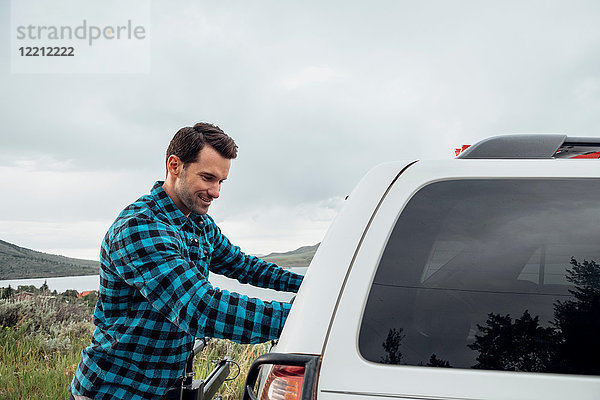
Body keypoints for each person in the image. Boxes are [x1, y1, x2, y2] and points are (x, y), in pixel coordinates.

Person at [69, 123, 304, 399]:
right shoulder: (140, 227)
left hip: (166, 388)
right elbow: (200, 307)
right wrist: (304, 318)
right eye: (207, 178)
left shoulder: (199, 224)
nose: (215, 192)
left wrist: (311, 283)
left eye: (221, 182)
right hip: (117, 388)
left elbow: (244, 265)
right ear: (174, 165)